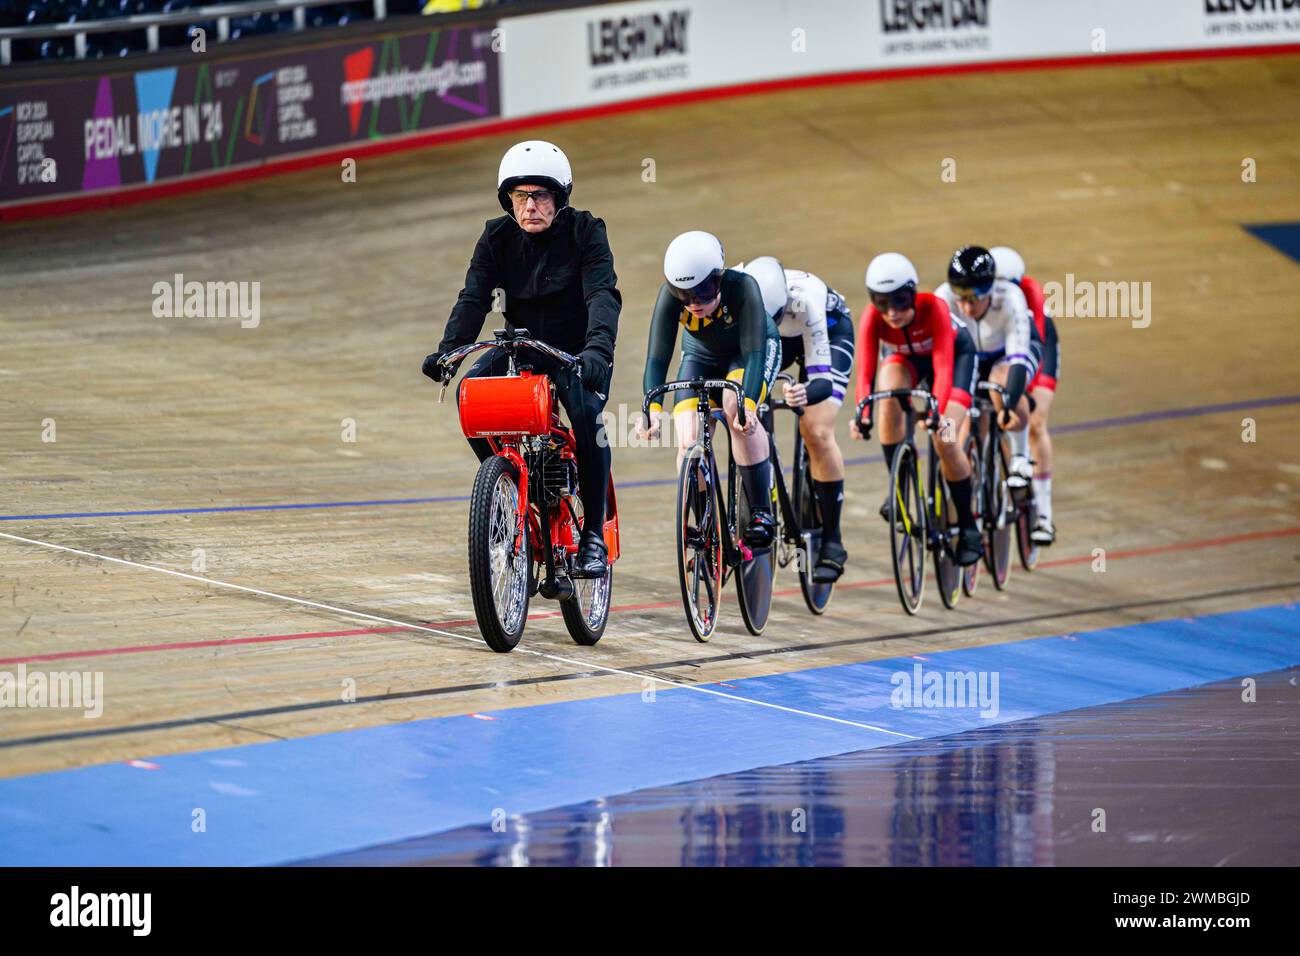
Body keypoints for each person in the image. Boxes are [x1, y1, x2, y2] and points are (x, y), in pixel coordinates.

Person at [421, 140, 620, 578]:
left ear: (559, 198)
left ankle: (591, 536)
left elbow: (602, 295)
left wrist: (597, 352)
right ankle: (510, 487)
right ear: (508, 200)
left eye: (540, 195)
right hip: (521, 346)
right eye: (520, 196)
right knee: (470, 398)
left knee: (586, 416)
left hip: (576, 352)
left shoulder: (586, 231)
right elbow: (474, 298)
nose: (530, 206)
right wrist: (449, 351)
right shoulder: (496, 236)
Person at [639, 231, 782, 549]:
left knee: (735, 409)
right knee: (688, 439)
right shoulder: (669, 297)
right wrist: (652, 410)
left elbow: (755, 354)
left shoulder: (743, 287)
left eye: (703, 292)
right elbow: (657, 358)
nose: (694, 304)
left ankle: (761, 512)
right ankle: (705, 524)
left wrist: (747, 406)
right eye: (684, 295)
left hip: (747, 353)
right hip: (701, 357)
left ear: (718, 278)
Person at [853, 252, 983, 567]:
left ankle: (968, 527)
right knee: (886, 392)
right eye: (882, 303)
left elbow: (943, 365)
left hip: (956, 360)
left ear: (912, 294)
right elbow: (866, 373)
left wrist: (937, 413)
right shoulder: (872, 318)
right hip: (907, 363)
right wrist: (863, 415)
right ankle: (897, 488)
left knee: (946, 438)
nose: (892, 312)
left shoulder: (934, 308)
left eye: (899, 301)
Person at [735, 257, 854, 582]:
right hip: (774, 338)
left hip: (827, 333)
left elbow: (822, 381)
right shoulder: (736, 288)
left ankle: (832, 538)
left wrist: (806, 394)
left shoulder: (806, 302)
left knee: (815, 429)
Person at [934, 245, 1042, 495]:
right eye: (961, 298)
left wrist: (1010, 403)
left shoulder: (1011, 297)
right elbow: (940, 363)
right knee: (961, 429)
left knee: (1002, 383)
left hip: (1008, 355)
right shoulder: (943, 299)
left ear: (991, 289)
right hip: (970, 357)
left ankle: (1019, 457)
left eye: (975, 298)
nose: (968, 307)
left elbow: (1017, 360)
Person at [991, 246, 1058, 545]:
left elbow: (1032, 346)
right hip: (1002, 350)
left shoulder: (1031, 293)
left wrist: (1023, 394)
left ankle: (1044, 515)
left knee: (1035, 420)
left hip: (1038, 348)